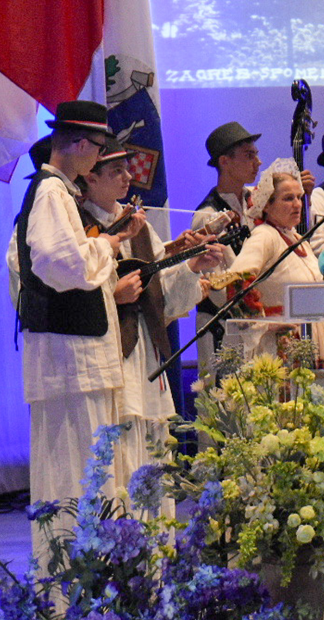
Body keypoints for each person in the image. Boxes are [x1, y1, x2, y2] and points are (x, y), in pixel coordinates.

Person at [7, 101, 142, 563]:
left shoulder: (59, 193)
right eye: (100, 148)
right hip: (71, 363)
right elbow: (61, 265)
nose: (99, 158)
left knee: (90, 476)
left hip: (78, 362)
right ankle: (75, 580)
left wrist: (103, 243)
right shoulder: (51, 192)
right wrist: (106, 245)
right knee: (77, 478)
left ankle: (91, 577)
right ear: (82, 144)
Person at [78, 138, 222, 495]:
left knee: (152, 444)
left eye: (127, 169)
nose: (128, 178)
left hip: (144, 350)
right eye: (116, 171)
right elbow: (66, 292)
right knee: (119, 441)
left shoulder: (139, 225)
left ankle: (152, 525)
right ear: (90, 177)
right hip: (107, 353)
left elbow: (164, 292)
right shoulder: (78, 227)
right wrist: (111, 295)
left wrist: (192, 265)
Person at [223, 159, 324, 365]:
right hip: (283, 346)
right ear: (267, 205)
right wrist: (262, 323)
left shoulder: (297, 239)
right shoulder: (264, 236)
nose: (297, 204)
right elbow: (236, 280)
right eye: (288, 198)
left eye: (299, 197)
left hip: (313, 338)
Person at [190, 121, 260, 364]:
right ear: (224, 161)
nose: (258, 162)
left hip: (254, 321)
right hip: (223, 325)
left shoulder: (256, 202)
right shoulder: (207, 216)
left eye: (256, 154)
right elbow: (216, 286)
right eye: (249, 155)